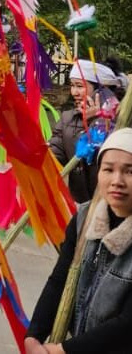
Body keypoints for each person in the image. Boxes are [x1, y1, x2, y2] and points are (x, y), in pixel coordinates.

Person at [24, 127, 132, 354]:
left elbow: (127, 323)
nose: (117, 181)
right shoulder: (84, 219)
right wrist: (34, 336)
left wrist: (64, 350)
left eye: (129, 171)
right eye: (108, 169)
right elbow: (60, 279)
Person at [50, 59, 122, 204]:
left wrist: (95, 121)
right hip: (80, 203)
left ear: (100, 90)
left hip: (111, 202)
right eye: (72, 86)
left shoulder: (119, 119)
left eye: (80, 86)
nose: (74, 92)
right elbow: (55, 157)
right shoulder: (67, 118)